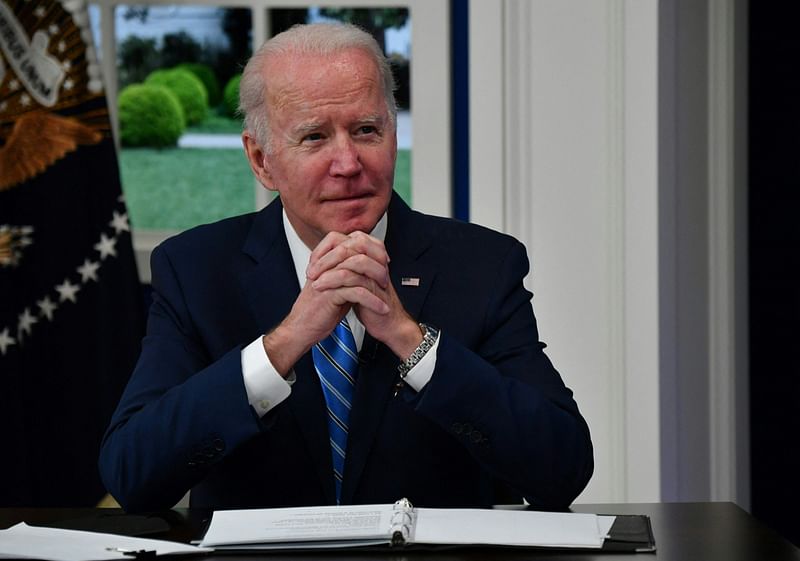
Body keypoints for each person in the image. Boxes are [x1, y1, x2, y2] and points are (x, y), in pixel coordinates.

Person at [98, 23, 593, 513]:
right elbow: (135, 476)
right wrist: (283, 344)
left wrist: (410, 340)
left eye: (366, 130)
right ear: (261, 159)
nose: (348, 162)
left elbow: (562, 470)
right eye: (314, 137)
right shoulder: (195, 270)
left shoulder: (483, 266)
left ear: (393, 135)